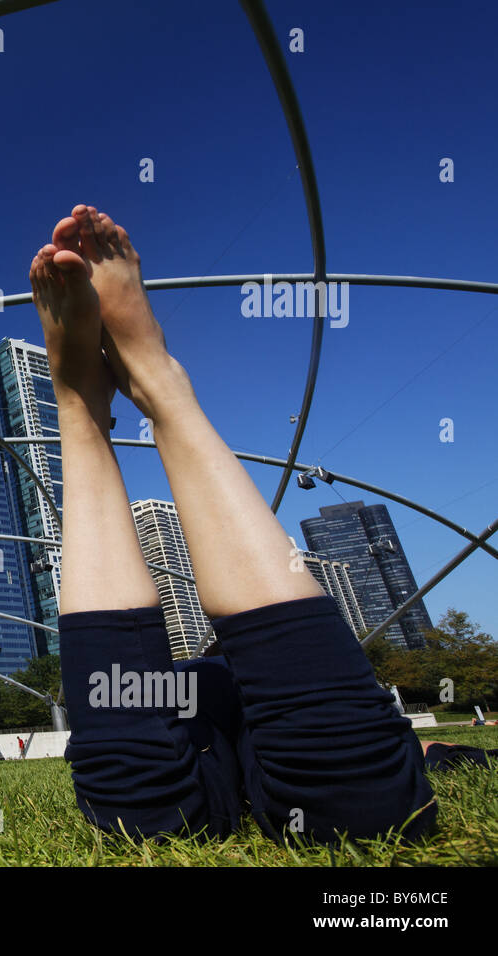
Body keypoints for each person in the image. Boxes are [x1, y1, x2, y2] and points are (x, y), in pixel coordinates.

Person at [31, 204, 437, 844]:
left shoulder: (195, 682)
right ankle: (143, 391)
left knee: (138, 818)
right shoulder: (203, 684)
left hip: (191, 715)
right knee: (366, 807)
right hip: (224, 717)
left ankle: (97, 401)